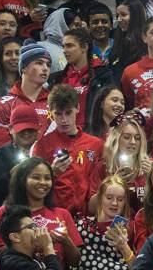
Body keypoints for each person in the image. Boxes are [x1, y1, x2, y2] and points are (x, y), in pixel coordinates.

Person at [0, 158, 83, 270]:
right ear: (22, 180)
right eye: (36, 177)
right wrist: (36, 245)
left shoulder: (62, 214)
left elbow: (75, 262)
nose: (43, 182)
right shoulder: (5, 212)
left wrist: (66, 241)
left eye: (47, 178)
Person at [30, 84, 105, 218]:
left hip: (87, 217)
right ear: (51, 112)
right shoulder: (42, 146)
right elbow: (32, 188)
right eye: (58, 113)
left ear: (78, 108)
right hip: (53, 216)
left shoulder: (96, 144)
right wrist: (51, 173)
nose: (64, 120)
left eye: (68, 112)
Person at [0, 43, 51, 148]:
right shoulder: (4, 104)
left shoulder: (54, 103)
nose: (45, 68)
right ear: (23, 68)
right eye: (39, 63)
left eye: (48, 65)